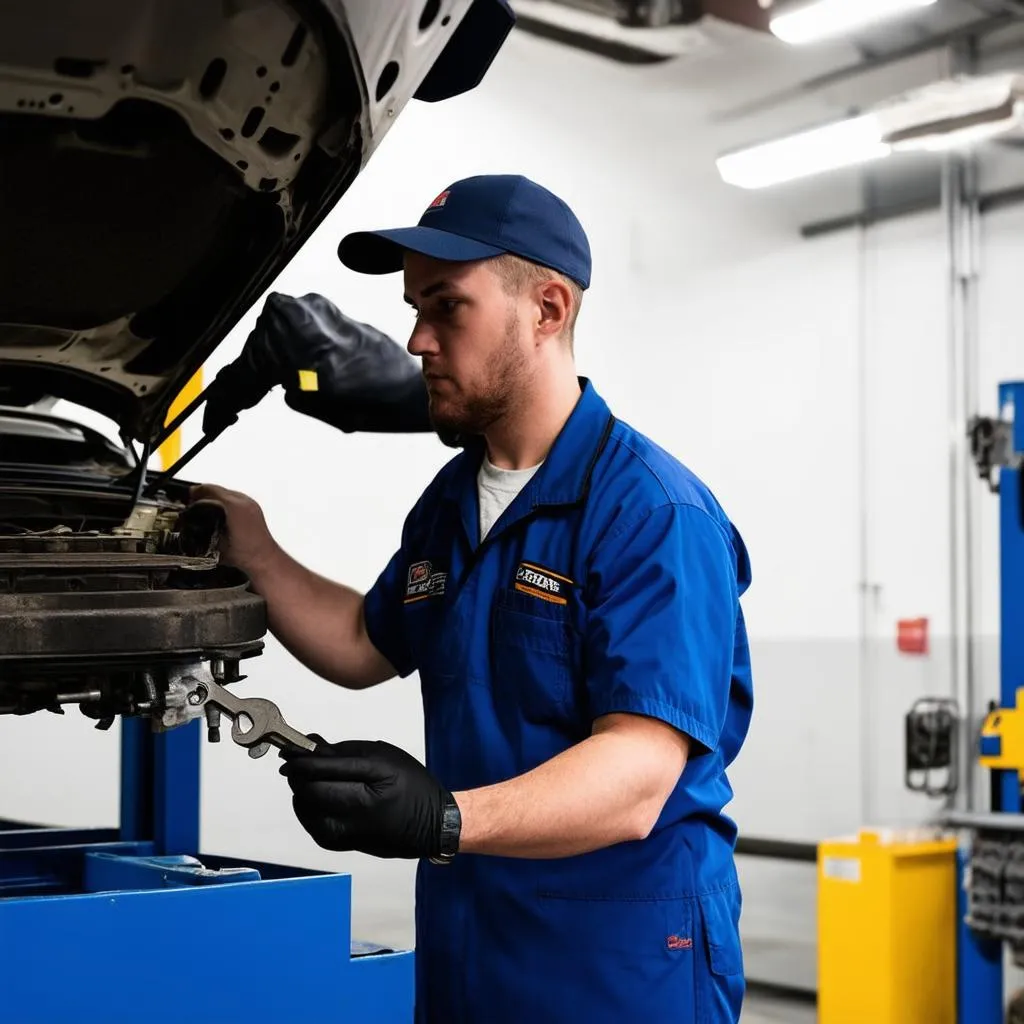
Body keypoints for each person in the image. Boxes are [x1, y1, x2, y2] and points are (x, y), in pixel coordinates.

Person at [192, 174, 754, 1023]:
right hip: (472, 943)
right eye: (414, 306)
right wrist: (256, 548)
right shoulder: (453, 500)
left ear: (549, 309)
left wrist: (440, 819)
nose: (415, 338)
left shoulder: (652, 513)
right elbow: (360, 641)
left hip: (617, 966)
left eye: (447, 307)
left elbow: (639, 774)